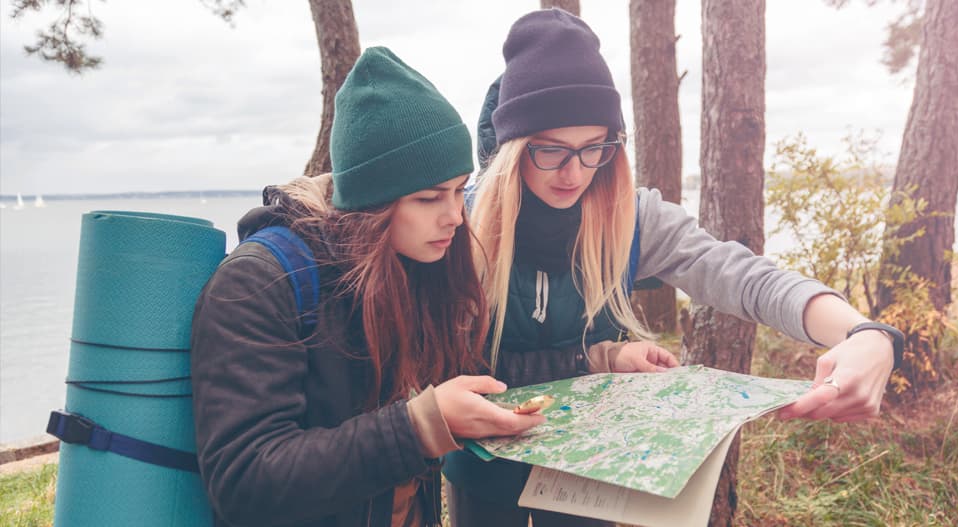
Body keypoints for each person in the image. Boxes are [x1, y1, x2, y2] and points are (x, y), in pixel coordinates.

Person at [442, 9, 901, 527]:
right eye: (550, 151)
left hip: (589, 477)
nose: (574, 173)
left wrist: (863, 331)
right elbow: (449, 371)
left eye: (594, 148)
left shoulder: (630, 218)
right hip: (481, 471)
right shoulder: (460, 224)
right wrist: (599, 357)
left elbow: (744, 276)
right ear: (513, 149)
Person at [190, 47, 544, 527]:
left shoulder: (416, 261)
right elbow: (244, 481)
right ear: (370, 202)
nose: (456, 216)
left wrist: (600, 359)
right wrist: (418, 427)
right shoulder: (260, 283)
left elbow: (477, 369)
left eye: (460, 189)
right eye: (428, 197)